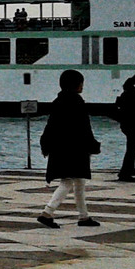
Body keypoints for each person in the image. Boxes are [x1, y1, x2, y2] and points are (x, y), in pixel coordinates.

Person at [38, 69, 101, 229]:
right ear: (76, 85)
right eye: (81, 83)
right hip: (75, 149)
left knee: (79, 182)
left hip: (60, 148)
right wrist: (93, 144)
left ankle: (84, 216)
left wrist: (46, 145)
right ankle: (47, 212)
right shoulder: (77, 102)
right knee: (68, 182)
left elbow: (50, 126)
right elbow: (84, 127)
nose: (82, 86)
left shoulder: (58, 101)